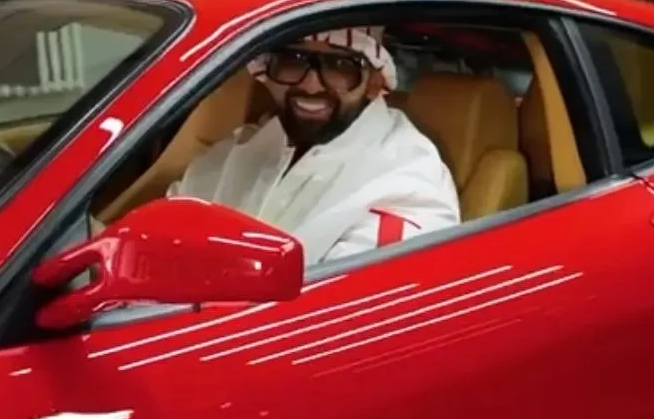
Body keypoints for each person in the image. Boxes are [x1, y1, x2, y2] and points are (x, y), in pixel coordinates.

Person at [171, 26, 460, 265]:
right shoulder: (243, 147)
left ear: (374, 81)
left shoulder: (408, 183)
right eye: (293, 60)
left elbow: (352, 306)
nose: (310, 85)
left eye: (340, 66)